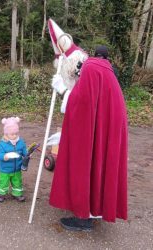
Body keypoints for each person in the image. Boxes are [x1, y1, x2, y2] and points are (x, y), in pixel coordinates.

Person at [48, 19, 128, 231]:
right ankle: (93, 208)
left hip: (92, 129)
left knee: (85, 162)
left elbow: (81, 102)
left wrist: (63, 91)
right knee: (99, 164)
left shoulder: (92, 68)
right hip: (107, 128)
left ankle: (83, 217)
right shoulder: (109, 71)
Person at [0, 117, 28, 203]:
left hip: (17, 168)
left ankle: (17, 194)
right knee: (3, 182)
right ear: (6, 134)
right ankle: (1, 194)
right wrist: (4, 156)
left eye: (16, 133)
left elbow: (24, 151)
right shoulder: (3, 143)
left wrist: (27, 154)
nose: (14, 136)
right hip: (5, 169)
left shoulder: (20, 142)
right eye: (12, 134)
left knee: (17, 182)